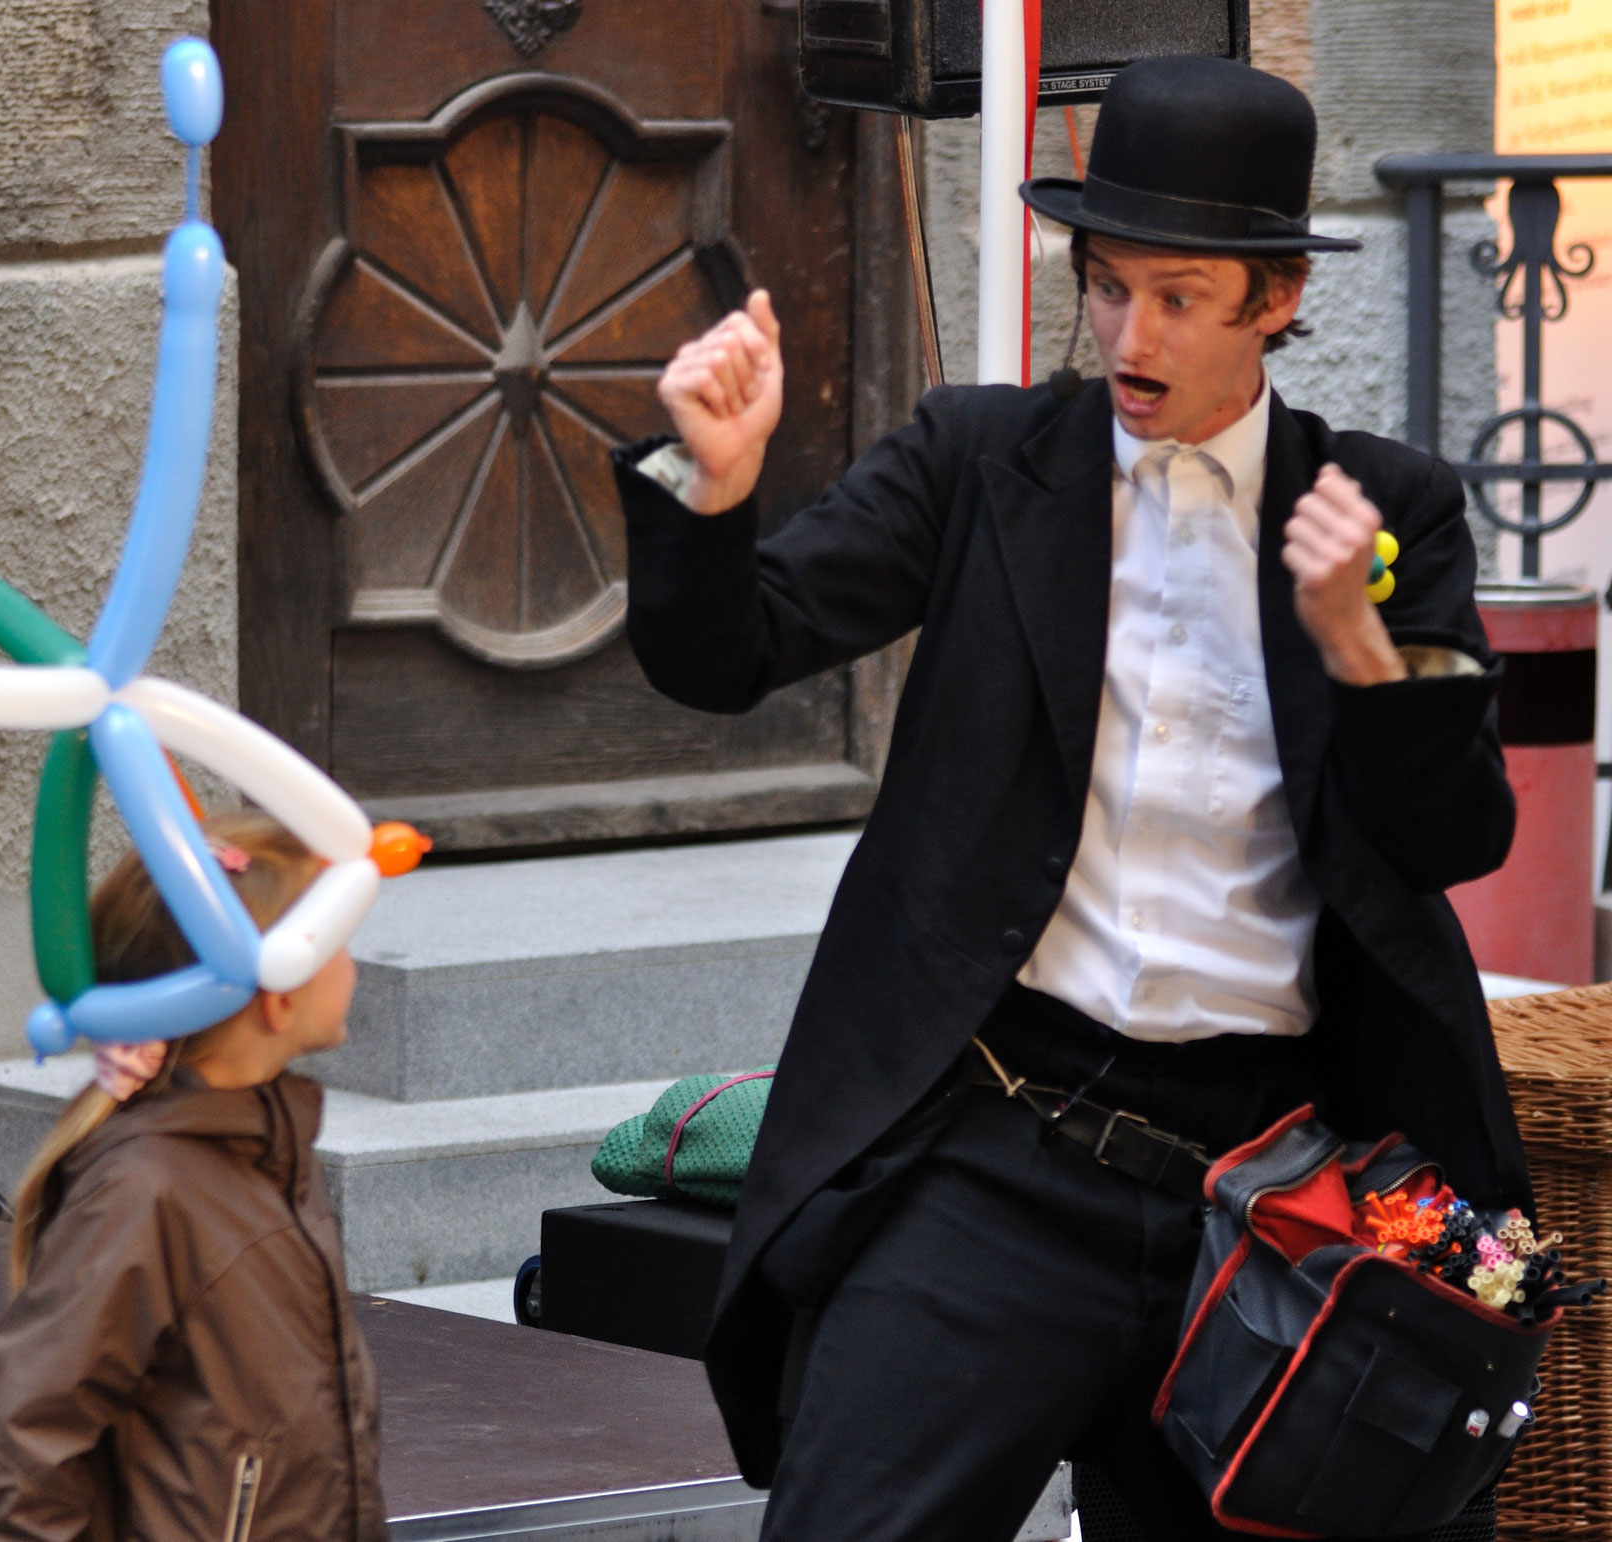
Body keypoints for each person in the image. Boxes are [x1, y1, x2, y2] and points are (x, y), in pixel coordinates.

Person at [614, 56, 1527, 1542]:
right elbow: (733, 652)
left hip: (1273, 1198)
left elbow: (1452, 838)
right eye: (1106, 286)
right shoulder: (981, 461)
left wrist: (1366, 655)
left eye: (1179, 296)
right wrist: (710, 488)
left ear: (1276, 298)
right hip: (1005, 1150)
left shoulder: (1382, 509)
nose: (1128, 331)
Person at [0, 810, 386, 1542]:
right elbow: (34, 1426)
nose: (354, 960)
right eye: (341, 940)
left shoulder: (270, 1154)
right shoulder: (145, 1188)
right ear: (278, 996)